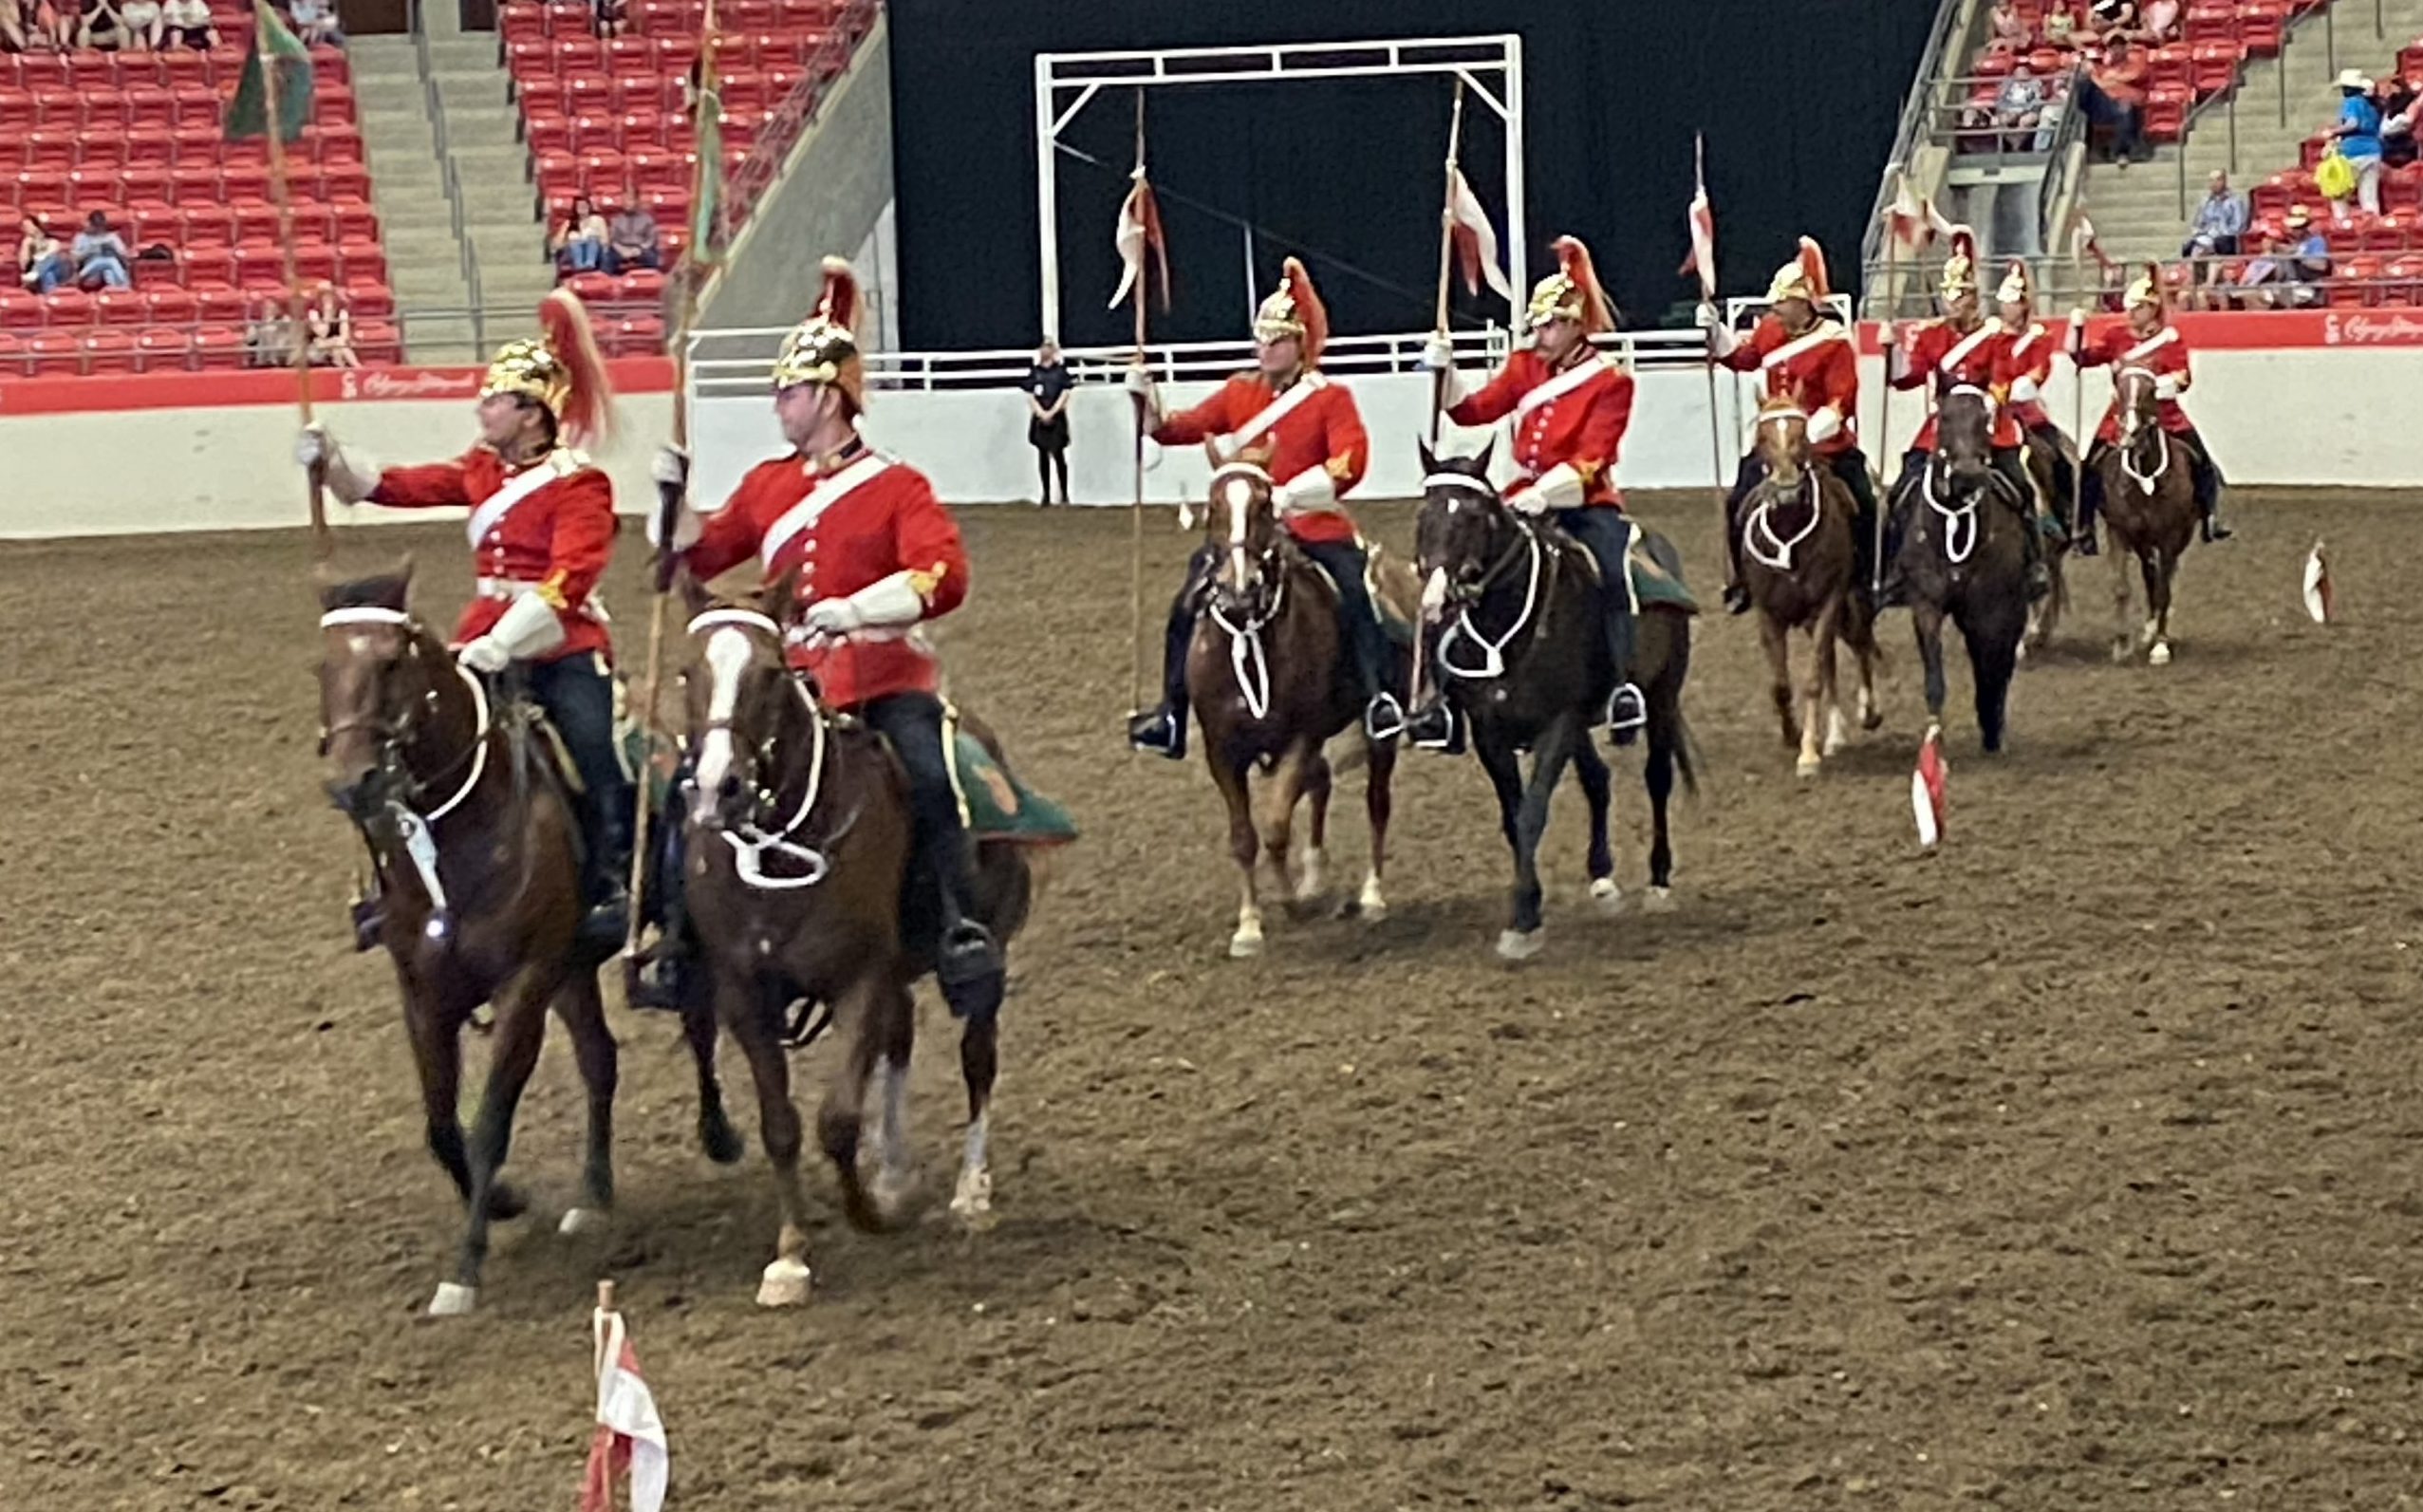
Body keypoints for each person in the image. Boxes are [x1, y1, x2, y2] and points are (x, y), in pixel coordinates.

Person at [639, 256, 1003, 1015]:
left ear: (832, 399)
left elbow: (942, 575)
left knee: (933, 780)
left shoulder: (898, 486)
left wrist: (858, 610)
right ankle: (677, 938)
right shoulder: (768, 485)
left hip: (879, 677)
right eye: (779, 392)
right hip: (785, 683)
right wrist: (669, 502)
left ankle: (961, 928)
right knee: (690, 790)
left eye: (792, 392)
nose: (780, 405)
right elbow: (697, 558)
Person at [295, 291, 634, 948]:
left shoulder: (580, 485)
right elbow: (399, 485)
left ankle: (613, 878)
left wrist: (502, 644)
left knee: (596, 747)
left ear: (533, 415)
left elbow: (567, 583)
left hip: (558, 642)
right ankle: (391, 882)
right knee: (404, 737)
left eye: (496, 400)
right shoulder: (482, 469)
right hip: (482, 634)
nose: (483, 408)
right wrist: (331, 460)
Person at [1123, 256, 1389, 757]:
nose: (1265, 350)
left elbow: (1349, 463)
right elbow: (1179, 428)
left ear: (1302, 345)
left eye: (1278, 341)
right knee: (1188, 600)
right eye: (1261, 340)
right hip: (1245, 526)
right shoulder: (1239, 391)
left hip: (1310, 521)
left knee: (1356, 593)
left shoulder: (1331, 398)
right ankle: (1171, 714)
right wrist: (1148, 400)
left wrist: (1290, 495)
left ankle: (1377, 698)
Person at [1413, 233, 1646, 748]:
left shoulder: (1610, 381)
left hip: (1583, 502)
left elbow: (1593, 458)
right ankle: (1443, 702)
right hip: (1520, 498)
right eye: (1537, 324)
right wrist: (1446, 370)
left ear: (1575, 325)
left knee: (1614, 573)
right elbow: (1472, 411)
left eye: (1550, 324)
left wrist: (1547, 492)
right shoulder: (1524, 368)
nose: (1540, 333)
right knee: (1459, 570)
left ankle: (1623, 689)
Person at [1704, 236, 1875, 615]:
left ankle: (1866, 579)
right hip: (1773, 443)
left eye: (1783, 302)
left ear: (1804, 303)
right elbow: (1744, 359)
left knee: (1865, 502)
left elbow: (1841, 399)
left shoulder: (1833, 342)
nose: (1775, 309)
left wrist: (1808, 435)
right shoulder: (1769, 330)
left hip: (1823, 444)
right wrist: (1715, 332)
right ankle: (1742, 582)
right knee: (1737, 502)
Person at [1878, 229, 2047, 601]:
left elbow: (2002, 380)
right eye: (1949, 296)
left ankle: (2035, 564)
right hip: (1941, 432)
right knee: (1901, 492)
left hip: (1988, 430)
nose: (1953, 303)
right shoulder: (1930, 337)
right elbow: (1906, 379)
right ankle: (1892, 571)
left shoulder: (1995, 337)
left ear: (1973, 298)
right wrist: (1891, 352)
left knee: (2019, 490)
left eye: (1960, 296)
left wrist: (1984, 408)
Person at [2071, 263, 2231, 552]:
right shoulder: (2116, 335)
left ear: (2152, 309)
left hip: (2165, 417)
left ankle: (2211, 516)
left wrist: (2161, 386)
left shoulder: (2170, 339)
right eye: (2130, 308)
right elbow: (2086, 358)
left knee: (2203, 461)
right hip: (2120, 416)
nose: (2131, 313)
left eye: (2137, 308)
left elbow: (2183, 377)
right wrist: (2077, 330)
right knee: (2089, 464)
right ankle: (2083, 526)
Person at [1992, 258, 2077, 533]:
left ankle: (2065, 516)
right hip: (1992, 414)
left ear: (2024, 305)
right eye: (2004, 302)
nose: (2007, 308)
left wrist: (2017, 387)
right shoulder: (1989, 336)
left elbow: (2038, 372)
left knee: (2059, 462)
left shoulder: (2038, 338)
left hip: (2026, 414)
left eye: (2013, 302)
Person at [2081, 38, 2150, 164]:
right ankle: (2088, 147)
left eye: (2119, 47)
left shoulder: (2135, 65)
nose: (2116, 50)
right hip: (2105, 105)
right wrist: (2092, 72)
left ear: (2126, 48)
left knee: (2125, 106)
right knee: (2084, 85)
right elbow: (2101, 85)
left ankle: (2122, 152)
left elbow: (2132, 76)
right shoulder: (2103, 68)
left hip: (2133, 105)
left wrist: (2102, 79)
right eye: (2112, 48)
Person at [2331, 69, 2384, 224]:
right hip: (2373, 151)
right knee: (2368, 195)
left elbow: (2353, 123)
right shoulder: (2371, 106)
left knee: (2339, 192)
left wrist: (2333, 131)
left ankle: (2342, 223)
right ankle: (2373, 225)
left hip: (2354, 151)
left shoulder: (2351, 102)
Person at [1023, 338, 1071, 506]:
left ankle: (1064, 495)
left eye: (1049, 347)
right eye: (1043, 346)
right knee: (1042, 456)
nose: (1045, 350)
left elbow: (1066, 393)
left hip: (1057, 418)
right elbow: (1029, 394)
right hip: (1040, 418)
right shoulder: (1034, 372)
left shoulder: (1061, 372)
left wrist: (1052, 412)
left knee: (1059, 456)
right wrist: (1041, 413)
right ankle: (1046, 495)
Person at [2182, 170, 2246, 281]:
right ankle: (2193, 283)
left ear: (2225, 181)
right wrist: (2201, 233)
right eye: (2211, 180)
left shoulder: (2235, 201)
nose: (2214, 183)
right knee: (2192, 247)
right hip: (2206, 238)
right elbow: (2197, 224)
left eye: (2218, 179)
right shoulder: (2205, 202)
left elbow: (2238, 227)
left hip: (2226, 239)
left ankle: (2208, 284)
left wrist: (2219, 233)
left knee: (2212, 246)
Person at [70, 211, 131, 290]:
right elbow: (74, 259)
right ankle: (125, 286)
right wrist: (89, 251)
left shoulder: (112, 237)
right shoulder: (81, 238)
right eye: (95, 226)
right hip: (90, 270)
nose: (98, 229)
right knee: (109, 261)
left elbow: (125, 258)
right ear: (89, 224)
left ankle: (114, 293)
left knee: (109, 270)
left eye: (100, 226)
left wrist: (114, 250)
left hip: (110, 268)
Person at [550, 196, 607, 276]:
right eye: (580, 206)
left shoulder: (598, 220)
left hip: (595, 251)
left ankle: (589, 265)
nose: (583, 208)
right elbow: (557, 244)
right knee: (575, 242)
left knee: (592, 240)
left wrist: (591, 239)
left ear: (589, 207)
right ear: (575, 209)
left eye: (585, 206)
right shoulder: (569, 223)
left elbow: (605, 241)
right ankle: (580, 267)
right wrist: (569, 239)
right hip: (573, 252)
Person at [305, 282, 358, 367]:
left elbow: (345, 335)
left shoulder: (341, 312)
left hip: (337, 344)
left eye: (329, 294)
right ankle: (357, 368)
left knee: (338, 349)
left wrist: (336, 341)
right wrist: (327, 316)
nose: (327, 298)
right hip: (319, 347)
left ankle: (353, 368)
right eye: (323, 295)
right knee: (339, 347)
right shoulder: (313, 313)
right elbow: (323, 334)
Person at [17, 215, 70, 293]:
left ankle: (36, 272)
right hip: (40, 276)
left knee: (52, 258)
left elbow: (52, 257)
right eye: (24, 227)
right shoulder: (26, 243)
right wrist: (26, 245)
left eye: (29, 226)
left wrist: (39, 262)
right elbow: (23, 266)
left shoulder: (52, 241)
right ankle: (51, 296)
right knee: (48, 274)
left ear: (37, 226)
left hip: (58, 272)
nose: (27, 229)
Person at [604, 202, 659, 274]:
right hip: (621, 248)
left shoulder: (647, 219)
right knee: (607, 258)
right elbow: (613, 240)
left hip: (640, 248)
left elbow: (651, 239)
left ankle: (651, 281)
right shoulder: (617, 220)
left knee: (651, 257)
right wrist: (622, 250)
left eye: (631, 201)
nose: (628, 204)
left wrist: (640, 249)